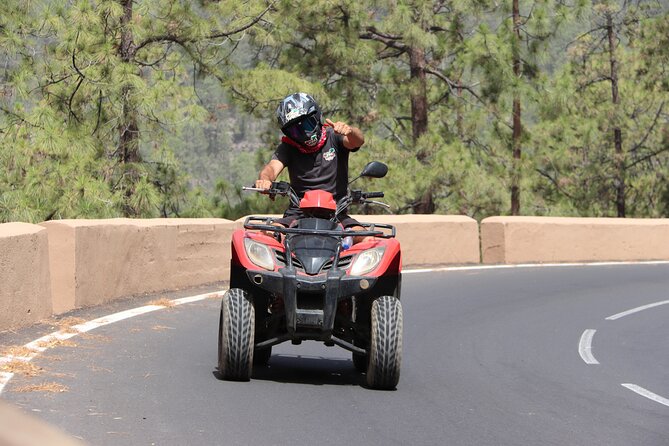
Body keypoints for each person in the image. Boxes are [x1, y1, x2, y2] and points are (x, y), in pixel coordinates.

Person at [255, 92, 367, 237]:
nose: (304, 133)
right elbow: (271, 168)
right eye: (295, 130)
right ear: (288, 133)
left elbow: (357, 141)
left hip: (336, 213)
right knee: (266, 237)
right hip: (298, 213)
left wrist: (350, 131)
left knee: (368, 240)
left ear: (317, 117)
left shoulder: (334, 136)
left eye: (307, 124)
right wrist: (265, 180)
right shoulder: (288, 147)